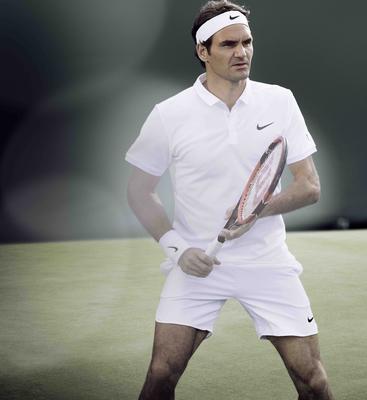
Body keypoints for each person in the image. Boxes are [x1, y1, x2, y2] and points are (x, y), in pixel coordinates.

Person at [125, 1, 335, 399]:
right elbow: (139, 190)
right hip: (196, 266)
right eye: (228, 44)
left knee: (313, 380)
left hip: (267, 262)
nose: (242, 52)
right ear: (203, 51)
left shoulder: (280, 101)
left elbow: (309, 186)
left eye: (247, 42)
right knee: (161, 374)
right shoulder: (169, 114)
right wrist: (177, 248)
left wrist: (255, 211)